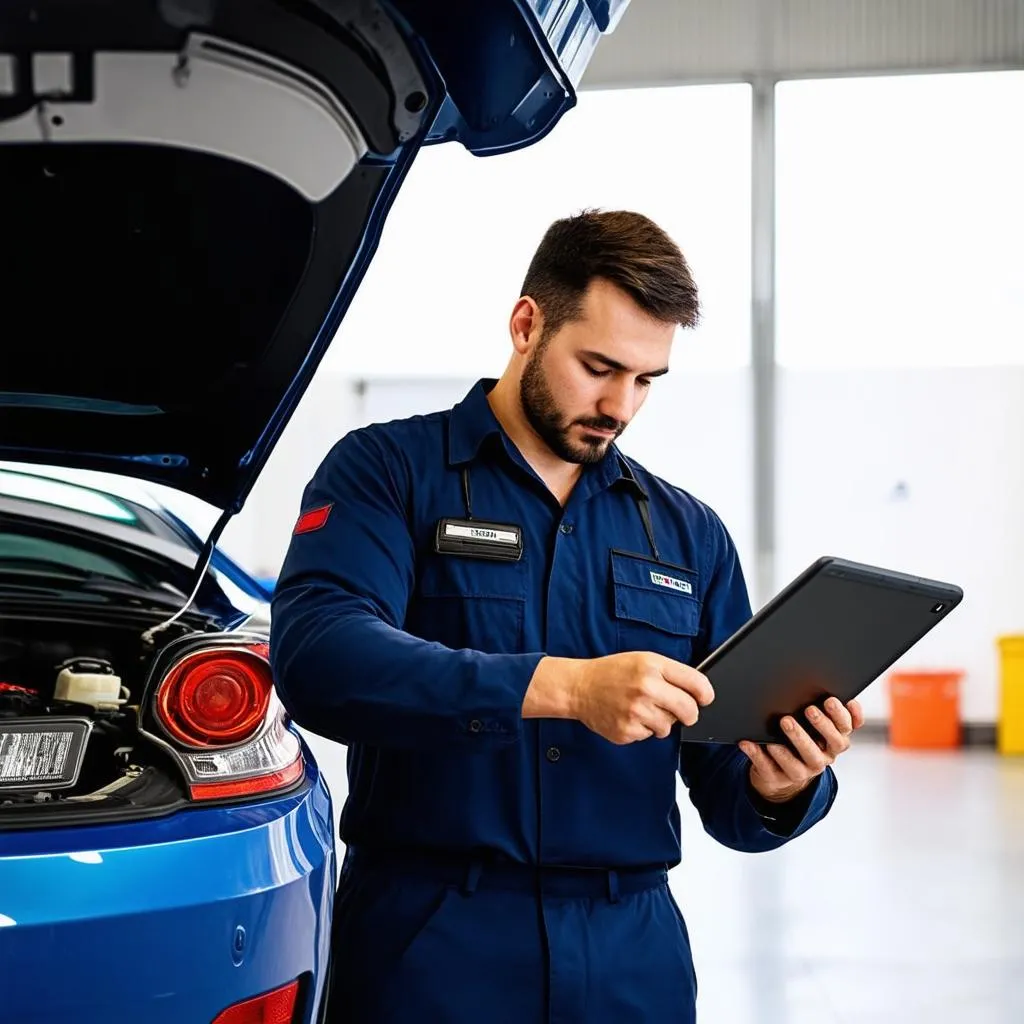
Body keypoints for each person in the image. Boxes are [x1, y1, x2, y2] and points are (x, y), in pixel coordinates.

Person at [269, 209, 864, 1023]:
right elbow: (321, 660)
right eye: (599, 367)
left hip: (633, 952)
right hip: (433, 944)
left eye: (647, 379)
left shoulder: (689, 535)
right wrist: (560, 688)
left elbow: (730, 797)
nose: (621, 404)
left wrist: (782, 783)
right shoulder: (387, 472)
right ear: (526, 324)